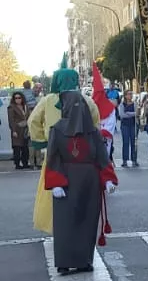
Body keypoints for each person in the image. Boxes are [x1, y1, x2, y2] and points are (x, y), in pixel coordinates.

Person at [43, 91, 117, 273]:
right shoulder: (57, 130)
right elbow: (53, 157)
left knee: (87, 221)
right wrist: (56, 182)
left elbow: (102, 157)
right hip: (66, 181)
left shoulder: (93, 132)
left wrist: (108, 179)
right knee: (65, 222)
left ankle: (84, 261)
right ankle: (64, 261)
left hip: (90, 182)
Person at [27, 67, 100, 235]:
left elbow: (33, 121)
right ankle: (77, 224)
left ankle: (54, 225)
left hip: (55, 150)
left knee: (53, 187)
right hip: (80, 153)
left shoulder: (48, 100)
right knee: (79, 189)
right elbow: (96, 123)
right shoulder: (85, 100)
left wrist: (41, 141)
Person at [7, 91, 30, 169]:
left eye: (19, 98)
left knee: (25, 147)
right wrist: (13, 130)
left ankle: (25, 163)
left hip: (25, 129)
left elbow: (28, 116)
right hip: (17, 129)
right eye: (16, 98)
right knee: (17, 147)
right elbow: (11, 120)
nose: (17, 99)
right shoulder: (11, 107)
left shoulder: (25, 106)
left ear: (22, 98)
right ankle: (17, 164)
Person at [119, 90, 138, 167]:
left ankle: (134, 160)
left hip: (133, 125)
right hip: (125, 126)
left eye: (131, 94)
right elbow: (122, 115)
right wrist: (133, 114)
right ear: (125, 96)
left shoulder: (135, 104)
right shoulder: (122, 105)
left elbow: (137, 113)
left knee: (134, 143)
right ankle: (125, 160)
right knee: (125, 143)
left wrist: (128, 113)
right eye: (129, 94)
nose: (130, 95)